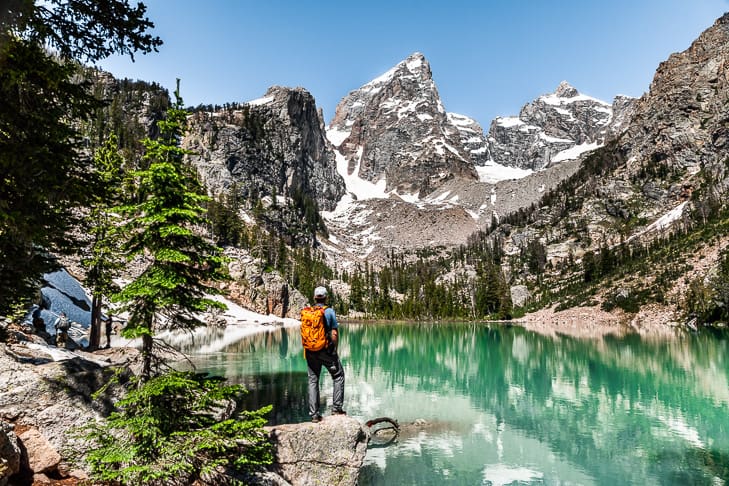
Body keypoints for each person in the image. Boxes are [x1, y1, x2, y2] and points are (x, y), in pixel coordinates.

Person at [302, 286, 345, 423]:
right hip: (325, 351)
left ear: (314, 298)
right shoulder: (329, 311)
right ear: (326, 297)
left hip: (310, 351)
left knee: (313, 380)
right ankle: (337, 408)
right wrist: (335, 350)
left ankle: (314, 414)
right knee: (338, 376)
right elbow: (334, 333)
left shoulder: (308, 312)